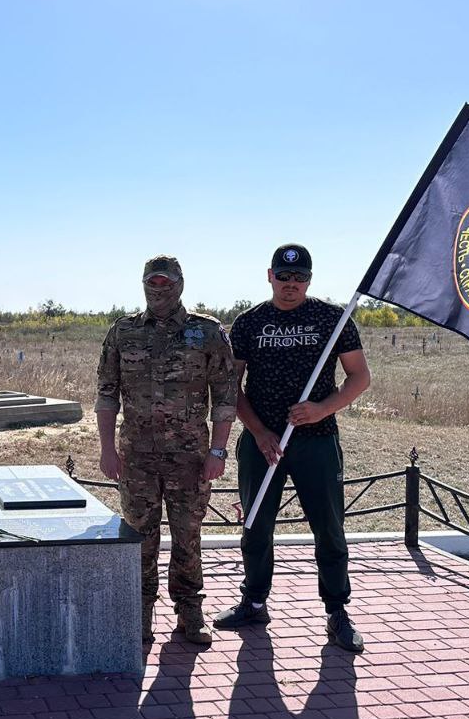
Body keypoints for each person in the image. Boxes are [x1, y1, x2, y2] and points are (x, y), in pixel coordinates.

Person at [213, 244, 371, 652]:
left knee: (329, 528)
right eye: (283, 277)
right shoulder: (249, 323)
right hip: (261, 442)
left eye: (299, 278)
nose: (291, 285)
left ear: (310, 280)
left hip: (316, 442)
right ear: (269, 276)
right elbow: (232, 385)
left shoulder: (332, 320)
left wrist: (323, 409)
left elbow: (358, 377)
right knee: (256, 524)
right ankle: (254, 601)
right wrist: (260, 431)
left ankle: (337, 611)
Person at [96, 255, 237, 647]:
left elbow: (225, 396)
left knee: (187, 536)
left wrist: (218, 452)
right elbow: (106, 395)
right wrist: (108, 450)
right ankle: (140, 609)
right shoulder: (123, 333)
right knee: (140, 536)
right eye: (152, 284)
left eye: (166, 284)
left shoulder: (206, 332)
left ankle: (189, 610)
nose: (159, 290)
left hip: (190, 457)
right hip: (137, 457)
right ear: (143, 285)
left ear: (180, 285)